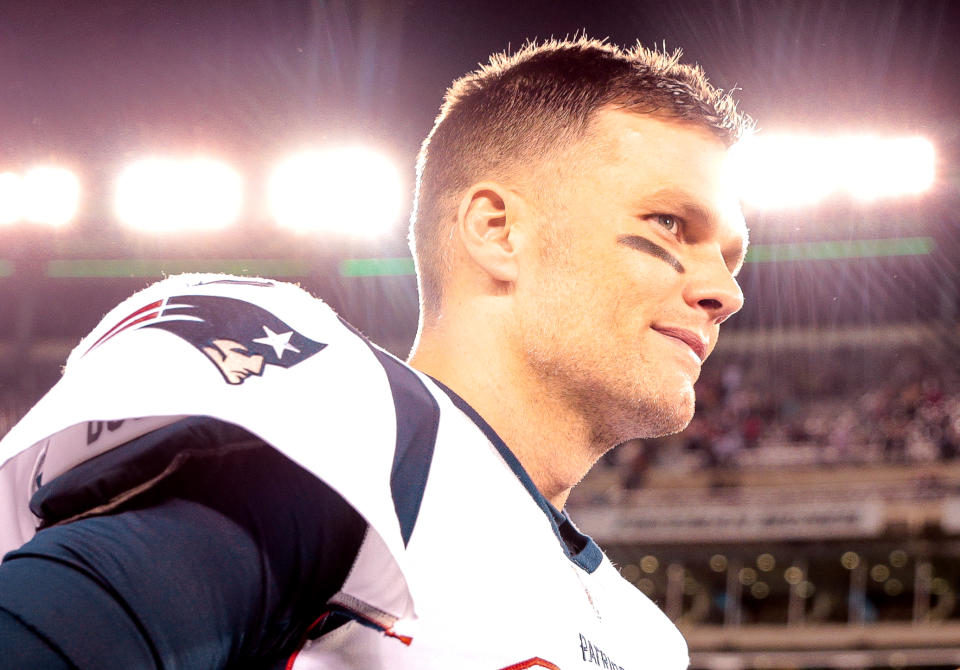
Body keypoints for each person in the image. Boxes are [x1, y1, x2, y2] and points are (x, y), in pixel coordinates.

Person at [0, 37, 752, 669]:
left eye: (730, 256)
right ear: (497, 231)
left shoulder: (649, 641)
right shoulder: (358, 442)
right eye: (668, 224)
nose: (725, 291)